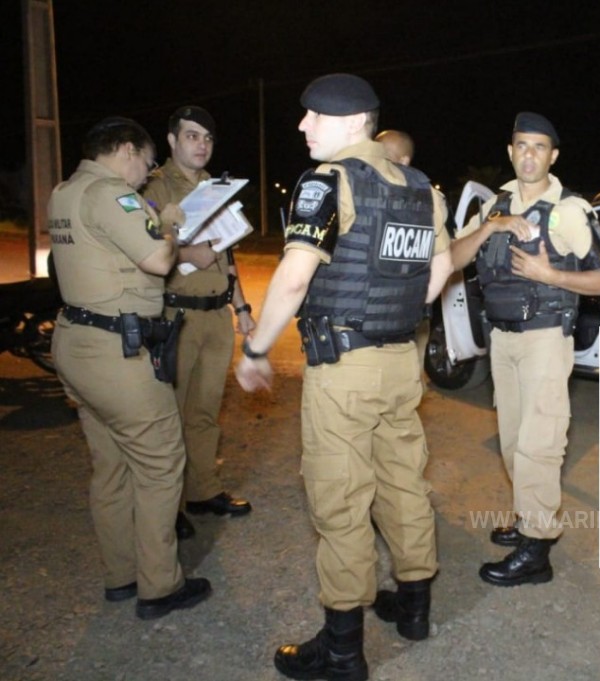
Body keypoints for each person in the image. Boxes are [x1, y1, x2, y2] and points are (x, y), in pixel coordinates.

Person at [234, 74, 453, 681]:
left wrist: (255, 350)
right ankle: (413, 611)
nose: (303, 127)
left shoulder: (329, 181)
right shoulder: (418, 187)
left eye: (314, 117)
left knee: (341, 503)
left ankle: (342, 654)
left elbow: (295, 276)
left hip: (345, 367)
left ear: (354, 120)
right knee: (403, 485)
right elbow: (436, 280)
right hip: (399, 363)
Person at [48, 116, 211, 619]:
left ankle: (121, 575)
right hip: (116, 351)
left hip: (76, 342)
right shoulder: (113, 195)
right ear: (124, 150)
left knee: (112, 466)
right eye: (144, 161)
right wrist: (168, 221)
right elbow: (159, 261)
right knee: (161, 462)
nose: (146, 172)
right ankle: (159, 585)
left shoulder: (63, 192)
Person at [449, 112, 600, 585]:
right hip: (502, 339)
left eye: (539, 147)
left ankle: (537, 549)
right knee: (512, 442)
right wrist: (492, 226)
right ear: (510, 151)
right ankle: (529, 518)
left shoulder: (570, 209)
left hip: (545, 338)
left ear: (553, 156)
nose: (529, 155)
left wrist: (552, 276)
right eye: (521, 145)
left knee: (540, 443)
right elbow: (455, 259)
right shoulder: (496, 205)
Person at [143, 105, 255, 541]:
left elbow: (227, 255)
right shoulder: (154, 188)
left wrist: (241, 309)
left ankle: (203, 490)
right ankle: (167, 506)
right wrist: (188, 255)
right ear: (172, 140)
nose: (201, 145)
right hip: (176, 314)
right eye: (192, 136)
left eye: (207, 138)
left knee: (205, 412)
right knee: (168, 414)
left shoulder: (215, 187)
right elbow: (142, 247)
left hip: (215, 315)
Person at [374, 129, 441, 372]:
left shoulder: (429, 199)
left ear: (404, 161)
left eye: (385, 157)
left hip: (410, 318)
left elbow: (444, 261)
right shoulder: (366, 195)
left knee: (407, 379)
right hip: (370, 315)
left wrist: (417, 304)